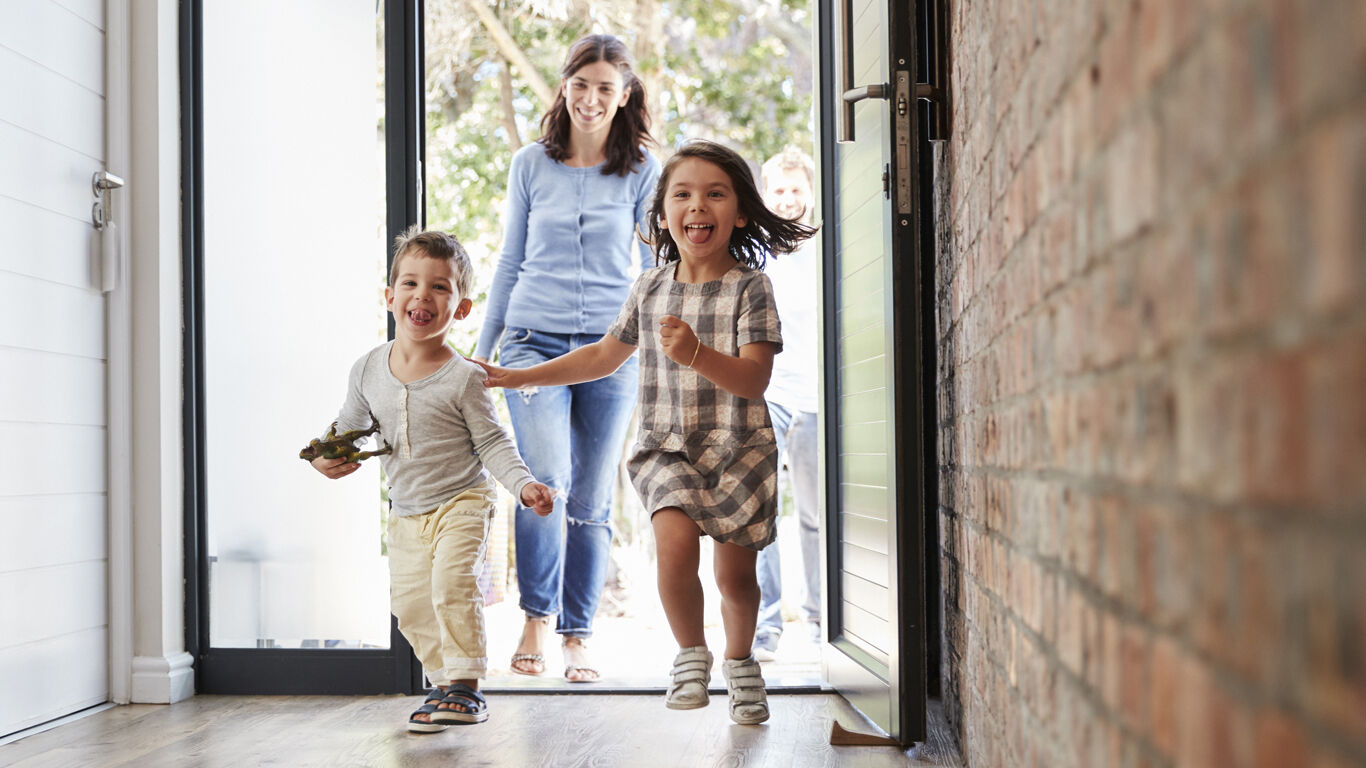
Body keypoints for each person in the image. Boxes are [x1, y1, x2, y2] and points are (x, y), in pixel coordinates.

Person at [474, 140, 817, 725]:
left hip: (739, 450)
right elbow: (603, 356)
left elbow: (755, 380)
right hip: (669, 449)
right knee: (675, 547)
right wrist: (518, 374)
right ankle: (690, 655)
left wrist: (698, 353)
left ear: (738, 211)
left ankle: (740, 663)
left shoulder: (751, 287)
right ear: (661, 215)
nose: (696, 205)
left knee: (735, 578)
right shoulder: (650, 288)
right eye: (681, 194)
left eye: (714, 193)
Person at [309, 227, 555, 733]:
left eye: (440, 287)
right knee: (411, 603)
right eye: (411, 283)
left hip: (462, 499)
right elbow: (348, 428)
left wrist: (523, 485)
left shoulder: (465, 377)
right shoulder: (366, 369)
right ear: (390, 297)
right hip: (405, 509)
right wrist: (324, 457)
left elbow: (492, 443)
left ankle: (466, 687)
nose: (423, 294)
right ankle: (443, 683)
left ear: (461, 309)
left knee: (451, 585)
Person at [473, 33, 661, 683]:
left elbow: (652, 269)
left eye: (605, 88)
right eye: (580, 84)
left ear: (624, 95)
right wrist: (481, 351)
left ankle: (577, 634)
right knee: (543, 483)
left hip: (613, 351)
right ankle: (534, 619)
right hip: (531, 343)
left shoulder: (642, 171)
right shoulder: (531, 163)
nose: (590, 98)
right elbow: (510, 258)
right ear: (564, 87)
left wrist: (658, 348)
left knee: (590, 495)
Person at [752, 146, 823, 661]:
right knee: (764, 514)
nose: (789, 198)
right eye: (779, 190)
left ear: (811, 194)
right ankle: (767, 627)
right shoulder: (755, 257)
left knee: (818, 516)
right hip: (769, 395)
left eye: (797, 189)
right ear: (765, 195)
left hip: (819, 398)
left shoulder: (829, 249)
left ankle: (824, 622)